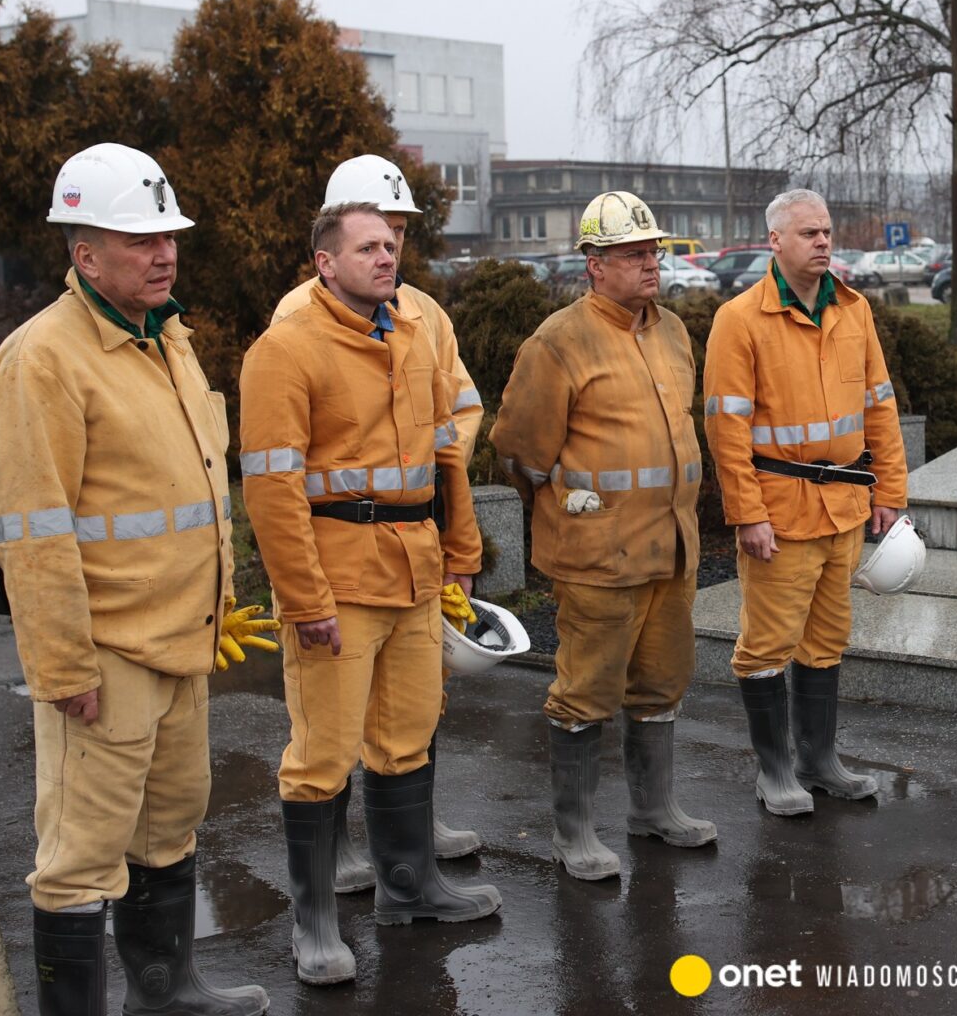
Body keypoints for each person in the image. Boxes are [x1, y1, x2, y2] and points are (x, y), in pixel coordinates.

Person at [0, 143, 271, 1016]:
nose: (164, 253)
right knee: (80, 857)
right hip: (104, 658)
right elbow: (31, 535)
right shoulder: (44, 360)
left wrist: (212, 608)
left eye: (168, 236)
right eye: (139, 239)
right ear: (84, 254)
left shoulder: (166, 338)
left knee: (171, 822)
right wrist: (63, 668)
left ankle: (168, 988)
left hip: (181, 646)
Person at [241, 201, 499, 986]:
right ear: (325, 263)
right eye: (367, 248)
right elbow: (273, 490)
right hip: (339, 580)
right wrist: (306, 600)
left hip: (415, 572)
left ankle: (410, 888)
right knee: (322, 754)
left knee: (407, 735)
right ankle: (315, 922)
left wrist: (462, 551)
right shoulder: (286, 350)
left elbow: (442, 454)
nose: (386, 257)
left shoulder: (413, 334)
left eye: (391, 245)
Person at [273, 154, 486, 891]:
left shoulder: (421, 317)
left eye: (397, 231)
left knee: (408, 717)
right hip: (343, 556)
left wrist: (452, 532)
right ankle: (334, 860)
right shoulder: (295, 325)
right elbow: (279, 476)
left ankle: (409, 862)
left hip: (411, 547)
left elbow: (455, 415)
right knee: (328, 731)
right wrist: (304, 590)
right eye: (374, 232)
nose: (390, 243)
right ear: (331, 249)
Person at [489, 191, 715, 880]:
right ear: (594, 264)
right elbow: (520, 449)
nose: (651, 264)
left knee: (662, 682)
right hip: (597, 555)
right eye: (633, 254)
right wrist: (570, 508)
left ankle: (653, 811)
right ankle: (575, 832)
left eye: (653, 252)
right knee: (585, 690)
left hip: (670, 549)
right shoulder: (558, 341)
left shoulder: (673, 331)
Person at [702, 188, 908, 817]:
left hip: (844, 505)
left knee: (827, 640)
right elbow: (726, 427)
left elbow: (879, 403)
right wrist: (746, 514)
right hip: (780, 511)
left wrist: (890, 491)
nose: (823, 242)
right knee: (766, 644)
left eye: (826, 232)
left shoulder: (855, 311)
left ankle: (819, 763)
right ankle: (775, 771)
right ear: (776, 241)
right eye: (808, 233)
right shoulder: (740, 319)